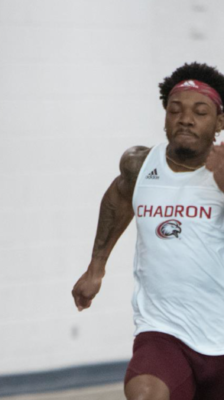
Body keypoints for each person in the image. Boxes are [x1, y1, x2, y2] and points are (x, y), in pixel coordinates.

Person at [72, 62, 224, 400]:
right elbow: (119, 197)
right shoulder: (140, 165)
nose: (186, 119)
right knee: (144, 394)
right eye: (175, 110)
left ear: (219, 122)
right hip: (163, 332)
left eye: (200, 112)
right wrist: (96, 267)